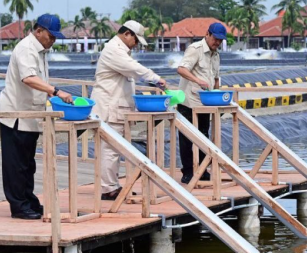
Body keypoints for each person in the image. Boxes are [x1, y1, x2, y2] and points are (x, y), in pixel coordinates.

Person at [0, 14, 73, 220]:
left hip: (31, 114)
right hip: (16, 115)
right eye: (51, 36)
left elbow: (38, 80)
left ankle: (28, 200)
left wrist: (49, 93)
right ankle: (18, 206)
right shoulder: (26, 48)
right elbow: (29, 78)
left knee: (28, 164)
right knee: (16, 164)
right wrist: (56, 92)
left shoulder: (41, 51)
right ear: (38, 31)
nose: (53, 40)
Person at [91, 20, 168, 200]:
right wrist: (157, 79)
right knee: (109, 149)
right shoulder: (114, 51)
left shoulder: (120, 51)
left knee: (114, 150)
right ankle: (107, 188)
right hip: (109, 106)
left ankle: (112, 185)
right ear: (127, 34)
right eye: (136, 40)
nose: (136, 45)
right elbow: (135, 69)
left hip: (115, 106)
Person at [176, 22, 226, 184]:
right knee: (186, 138)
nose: (217, 43)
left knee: (204, 136)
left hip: (206, 103)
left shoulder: (216, 55)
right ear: (207, 34)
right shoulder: (195, 49)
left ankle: (203, 169)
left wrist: (218, 96)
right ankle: (188, 172)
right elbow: (182, 69)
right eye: (215, 39)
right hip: (189, 101)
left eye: (220, 41)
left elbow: (216, 78)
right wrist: (197, 80)